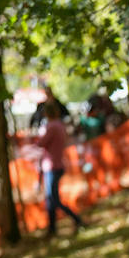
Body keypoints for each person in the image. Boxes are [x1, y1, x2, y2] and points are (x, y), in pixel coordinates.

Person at [32, 100, 85, 237]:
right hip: (55, 165)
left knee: (53, 199)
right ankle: (52, 228)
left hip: (52, 166)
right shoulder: (59, 125)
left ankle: (75, 219)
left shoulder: (51, 127)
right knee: (51, 200)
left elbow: (41, 143)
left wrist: (34, 140)